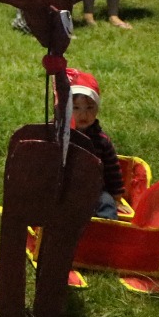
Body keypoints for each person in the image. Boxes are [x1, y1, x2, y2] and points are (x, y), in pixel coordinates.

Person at [66, 68, 127, 218]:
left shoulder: (101, 141)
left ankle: (103, 234)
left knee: (106, 204)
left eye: (89, 108)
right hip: (64, 187)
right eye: (76, 108)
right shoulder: (61, 133)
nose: (83, 114)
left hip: (94, 190)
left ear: (97, 109)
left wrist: (116, 198)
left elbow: (112, 170)